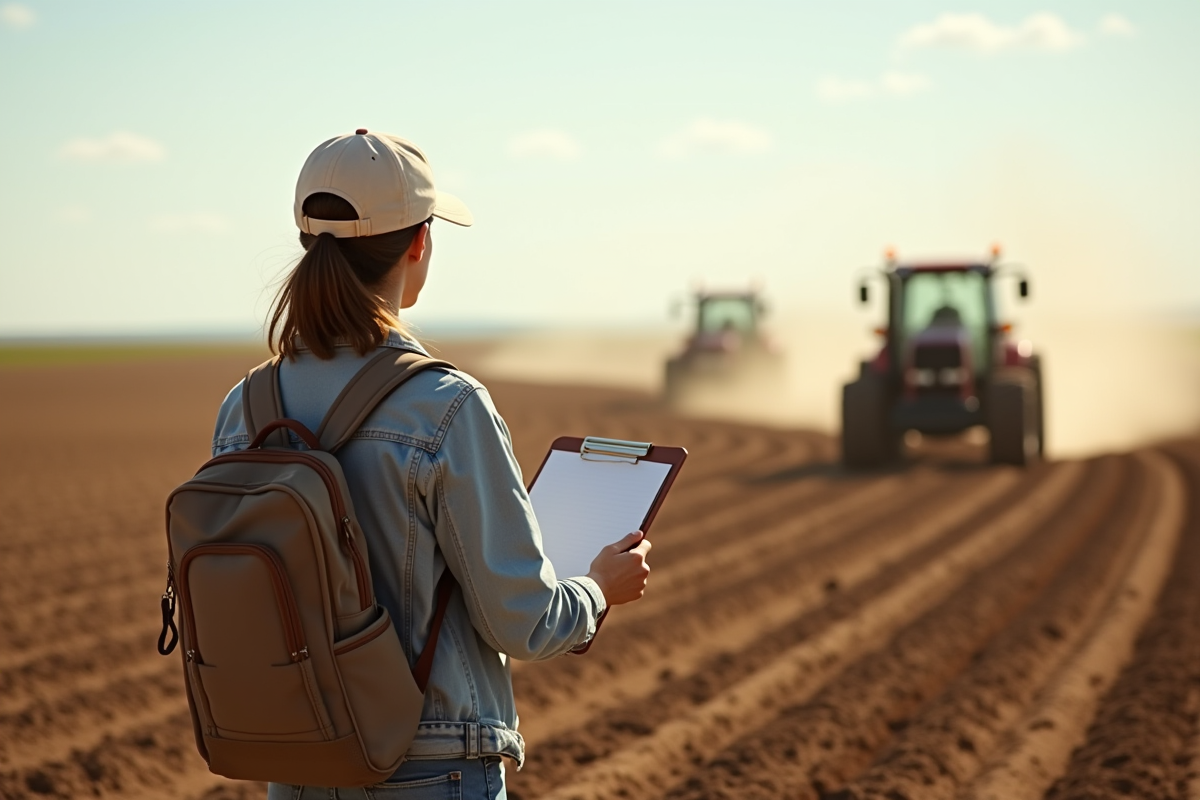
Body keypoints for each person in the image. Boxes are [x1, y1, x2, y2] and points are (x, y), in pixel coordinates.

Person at [210, 130, 652, 799]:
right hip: (430, 768)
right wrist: (597, 587)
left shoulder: (244, 405)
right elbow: (522, 621)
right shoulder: (445, 407)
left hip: (298, 766)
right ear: (419, 244)